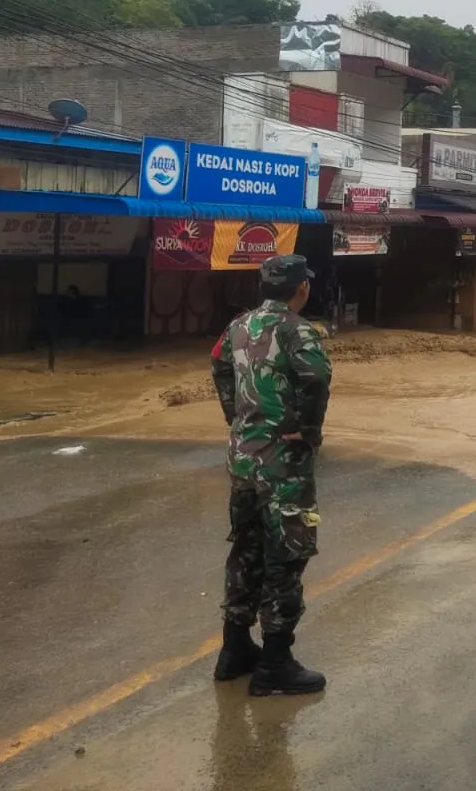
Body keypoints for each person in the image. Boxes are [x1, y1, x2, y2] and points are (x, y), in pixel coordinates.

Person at [210, 254, 332, 696]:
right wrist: (308, 429)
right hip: (283, 460)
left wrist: (236, 416)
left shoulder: (239, 326)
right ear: (301, 287)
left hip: (243, 457)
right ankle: (275, 662)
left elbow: (219, 365)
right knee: (287, 555)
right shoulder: (297, 329)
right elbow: (315, 377)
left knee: (246, 548)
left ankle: (234, 649)